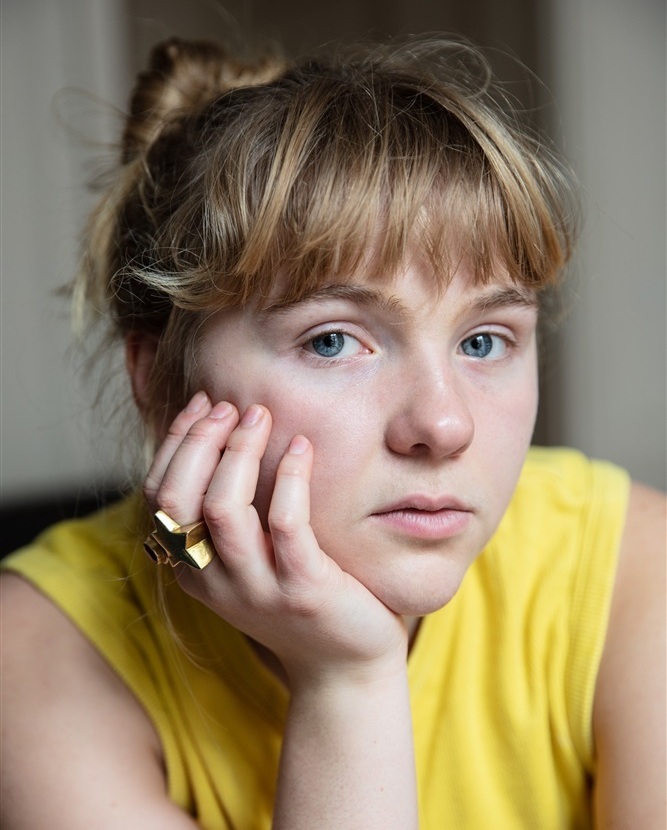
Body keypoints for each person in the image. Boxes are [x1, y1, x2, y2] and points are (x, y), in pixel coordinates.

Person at [1, 34, 664, 830]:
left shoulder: (630, 569)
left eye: (483, 341)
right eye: (331, 341)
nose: (443, 425)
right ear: (160, 381)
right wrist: (346, 679)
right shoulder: (37, 648)